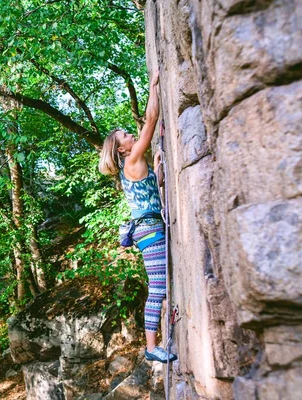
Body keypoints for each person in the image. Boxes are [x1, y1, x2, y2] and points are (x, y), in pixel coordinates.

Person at [98, 69, 177, 363]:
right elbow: (152, 121)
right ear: (122, 149)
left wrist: (157, 167)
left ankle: (154, 343)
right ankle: (151, 347)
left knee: (159, 286)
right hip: (150, 232)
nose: (131, 134)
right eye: (125, 135)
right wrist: (154, 86)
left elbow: (150, 190)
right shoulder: (131, 159)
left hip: (149, 229)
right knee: (156, 289)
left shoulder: (134, 165)